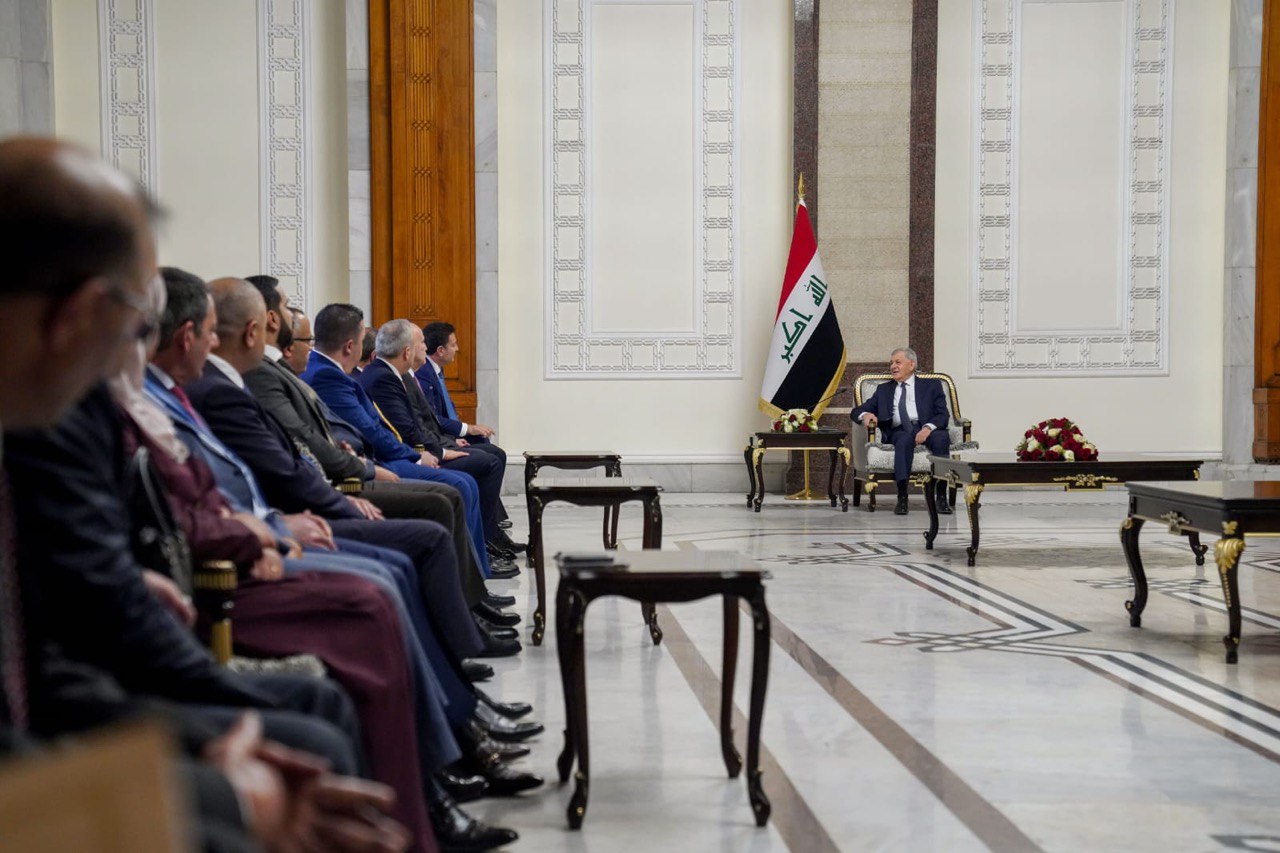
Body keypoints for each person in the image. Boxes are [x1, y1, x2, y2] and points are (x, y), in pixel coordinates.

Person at [0, 135, 408, 852]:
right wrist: (230, 790)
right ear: (78, 315)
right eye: (136, 325)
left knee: (300, 748)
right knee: (270, 782)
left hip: (62, 709)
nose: (139, 354)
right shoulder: (59, 419)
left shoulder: (36, 413)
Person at [300, 305, 512, 580]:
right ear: (351, 346)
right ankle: (473, 578)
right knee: (460, 485)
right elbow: (372, 431)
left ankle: (477, 573)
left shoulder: (343, 373)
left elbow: (380, 427)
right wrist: (415, 456)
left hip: (379, 457)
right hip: (371, 464)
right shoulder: (331, 375)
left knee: (471, 476)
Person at [849, 347, 951, 515]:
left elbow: (943, 414)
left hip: (926, 427)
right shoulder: (884, 390)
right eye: (891, 363)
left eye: (898, 362)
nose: (893, 366)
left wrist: (927, 428)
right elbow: (856, 411)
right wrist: (865, 415)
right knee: (903, 441)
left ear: (911, 365)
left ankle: (941, 496)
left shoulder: (931, 386)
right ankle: (902, 496)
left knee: (942, 438)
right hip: (899, 430)